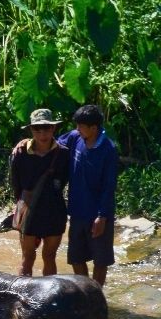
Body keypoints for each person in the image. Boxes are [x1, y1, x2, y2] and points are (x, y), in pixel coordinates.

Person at [57, 105, 118, 286]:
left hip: (97, 215)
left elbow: (109, 186)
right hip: (77, 212)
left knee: (100, 260)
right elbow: (53, 143)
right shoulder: (76, 138)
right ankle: (86, 293)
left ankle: (97, 295)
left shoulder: (108, 149)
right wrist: (28, 143)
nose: (77, 129)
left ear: (94, 128)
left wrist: (102, 216)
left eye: (81, 126)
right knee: (76, 257)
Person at [9, 108, 70, 277]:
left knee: (49, 256)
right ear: (31, 130)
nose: (42, 132)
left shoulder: (63, 153)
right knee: (27, 257)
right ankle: (21, 297)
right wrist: (21, 208)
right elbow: (16, 184)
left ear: (53, 129)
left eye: (46, 127)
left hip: (54, 210)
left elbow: (64, 180)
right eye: (37, 128)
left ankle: (49, 299)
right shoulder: (20, 153)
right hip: (29, 210)